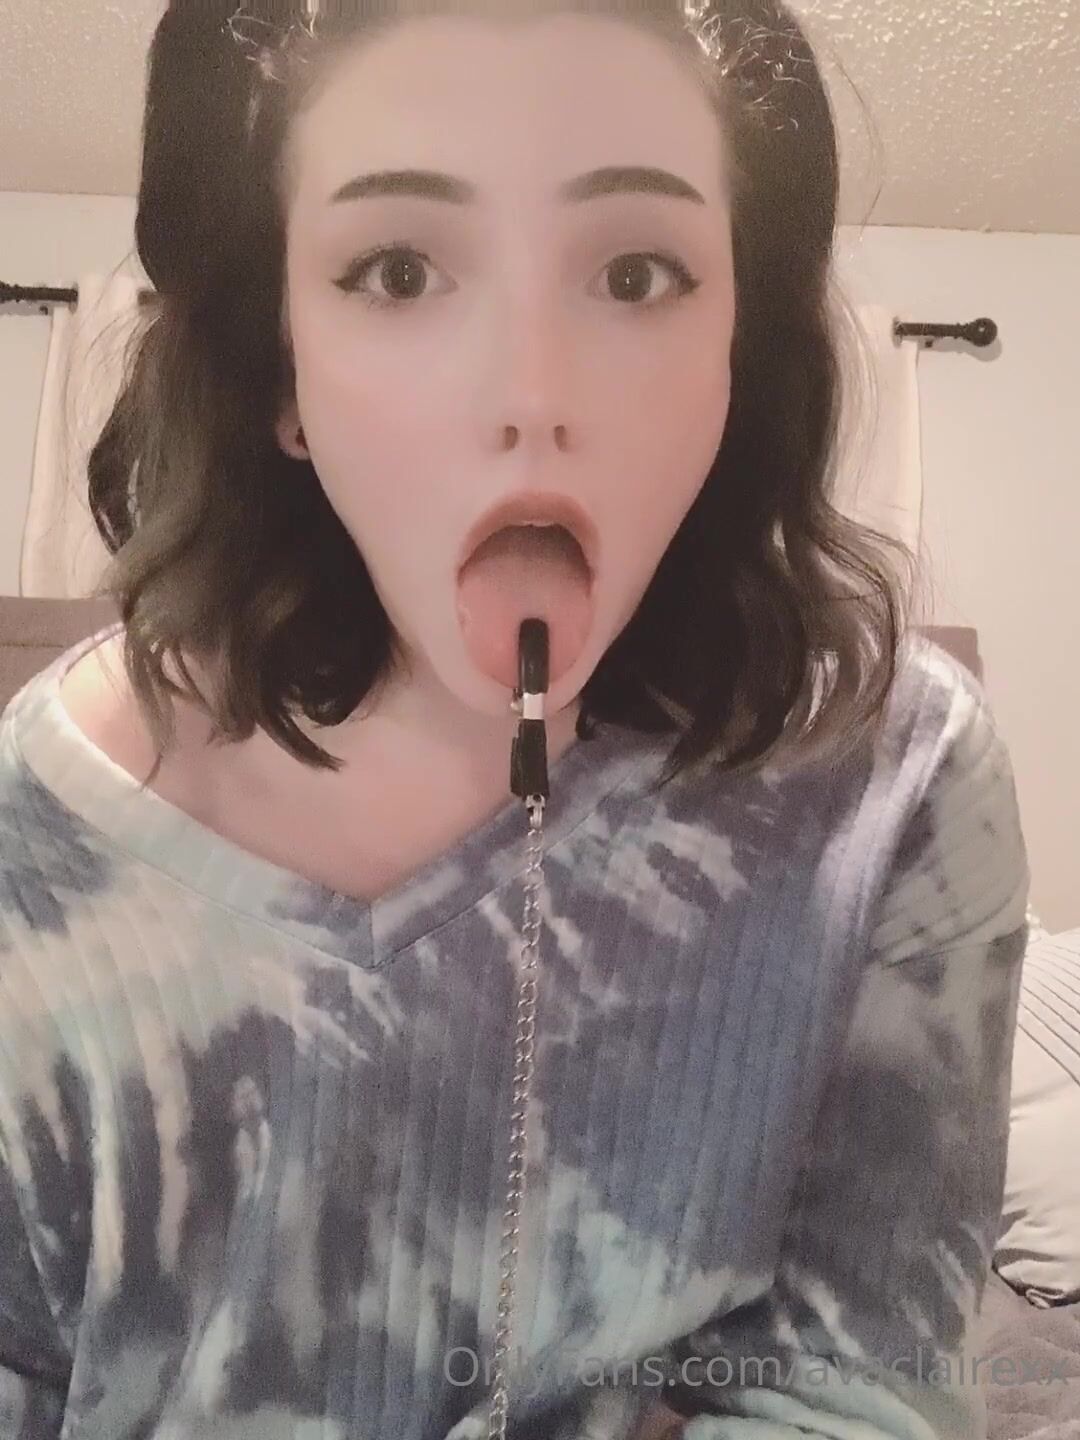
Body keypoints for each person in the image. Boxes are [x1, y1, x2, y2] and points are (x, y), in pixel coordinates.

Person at [0, 1, 1031, 1438]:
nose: (532, 397)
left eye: (636, 273)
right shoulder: (37, 835)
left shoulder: (893, 778)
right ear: (284, 373)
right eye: (398, 270)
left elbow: (867, 1392)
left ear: (737, 356)